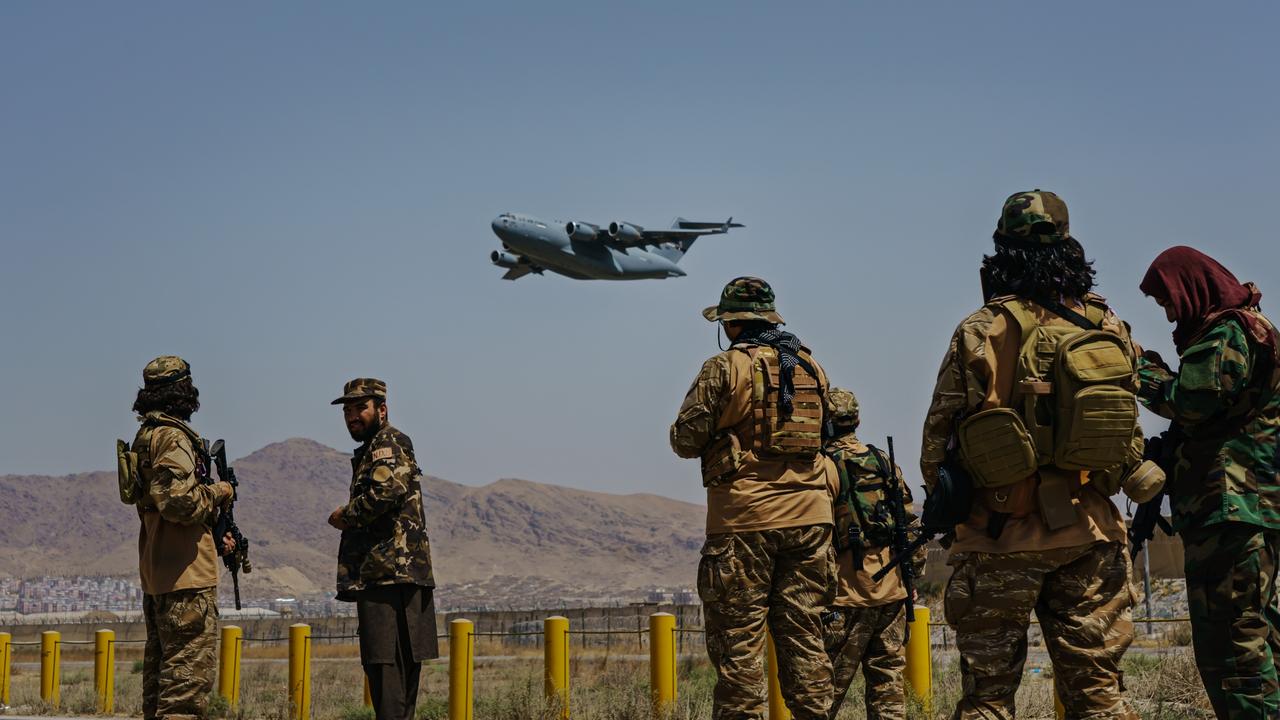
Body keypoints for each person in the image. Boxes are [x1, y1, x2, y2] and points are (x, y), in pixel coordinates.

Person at [921, 191, 1155, 720]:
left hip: (999, 535)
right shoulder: (1108, 326)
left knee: (988, 700)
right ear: (1070, 248)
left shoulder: (981, 330)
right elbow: (1128, 434)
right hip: (1090, 533)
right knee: (1100, 696)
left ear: (1001, 251)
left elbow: (937, 442)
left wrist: (948, 508)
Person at [670, 276, 836, 720]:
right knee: (806, 642)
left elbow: (686, 439)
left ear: (730, 324)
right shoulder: (810, 366)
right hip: (811, 520)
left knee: (739, 650)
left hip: (744, 522)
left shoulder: (724, 368)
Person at [1137, 247, 1280, 719]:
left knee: (1231, 650)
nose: (1171, 312)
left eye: (1169, 301)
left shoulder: (1228, 330)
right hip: (1245, 511)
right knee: (1256, 642)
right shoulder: (1246, 325)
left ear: (1192, 287)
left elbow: (1193, 400)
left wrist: (1141, 370)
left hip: (1232, 510)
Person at [126, 356, 235, 720]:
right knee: (184, 691)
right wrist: (220, 491)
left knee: (160, 688)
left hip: (158, 575)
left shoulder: (146, 436)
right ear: (183, 390)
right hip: (186, 580)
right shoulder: (172, 437)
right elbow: (179, 503)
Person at [327, 378, 438, 720]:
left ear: (382, 409)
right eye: (347, 410)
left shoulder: (387, 443)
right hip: (386, 576)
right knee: (388, 676)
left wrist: (346, 516)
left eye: (360, 407)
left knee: (389, 674)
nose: (352, 416)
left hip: (391, 576)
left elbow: (388, 492)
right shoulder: (373, 448)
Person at [821, 387, 924, 720]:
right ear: (857, 420)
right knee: (888, 687)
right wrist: (912, 577)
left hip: (845, 594)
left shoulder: (822, 467)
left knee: (825, 691)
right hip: (892, 591)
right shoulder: (882, 461)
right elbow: (909, 524)